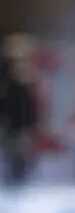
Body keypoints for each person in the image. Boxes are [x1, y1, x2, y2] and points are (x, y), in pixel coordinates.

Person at [0, 37, 40, 183]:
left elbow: (30, 107)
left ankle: (19, 175)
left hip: (22, 126)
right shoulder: (7, 82)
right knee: (13, 153)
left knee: (19, 153)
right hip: (12, 126)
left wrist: (31, 126)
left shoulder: (27, 81)